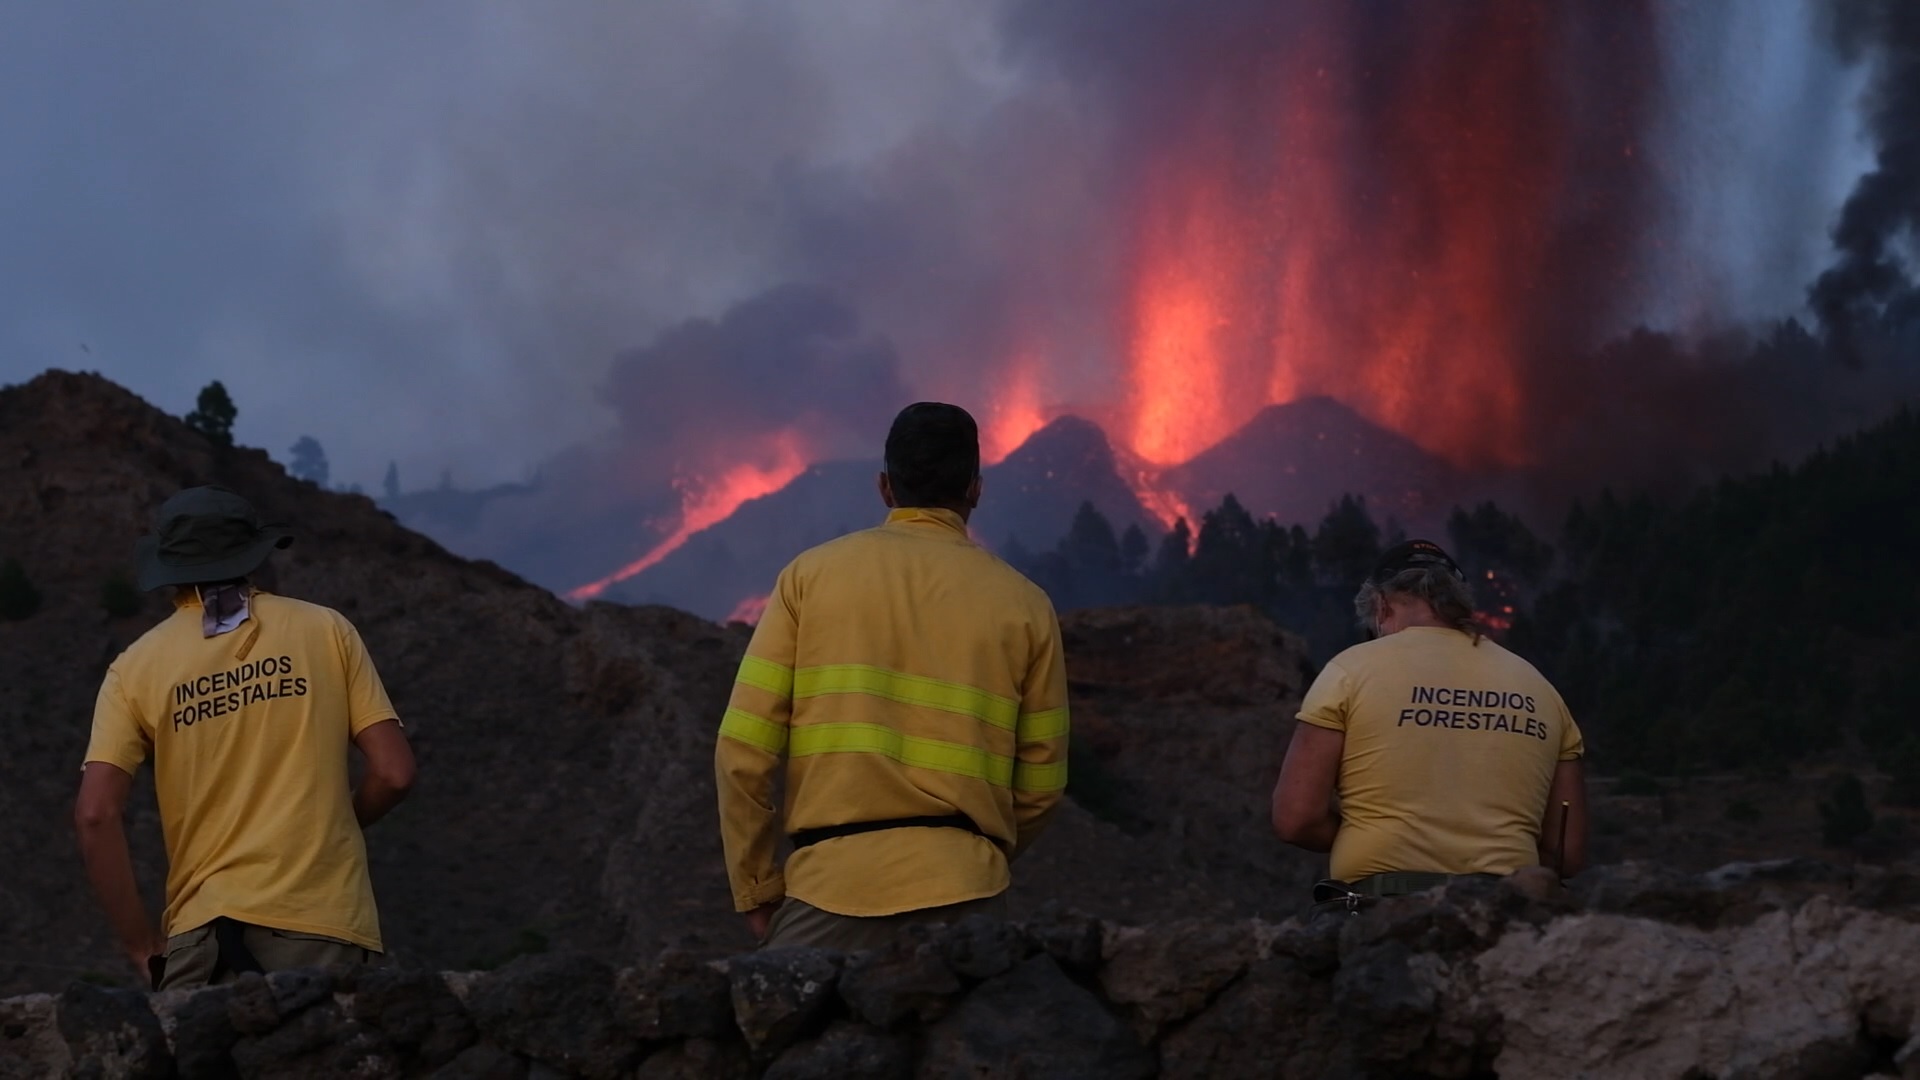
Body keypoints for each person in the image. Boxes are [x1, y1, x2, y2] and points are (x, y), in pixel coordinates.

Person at [715, 402, 1070, 951]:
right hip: (967, 898)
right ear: (976, 489)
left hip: (830, 888)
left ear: (884, 487)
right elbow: (1043, 781)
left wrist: (757, 886)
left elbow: (743, 751)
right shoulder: (1026, 605)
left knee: (784, 1031)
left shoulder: (808, 580)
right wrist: (970, 859)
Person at [75, 485, 415, 989]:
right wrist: (338, 822)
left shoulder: (133, 668)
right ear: (252, 555)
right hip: (318, 925)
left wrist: (143, 947)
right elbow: (394, 773)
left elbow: (95, 814)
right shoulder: (325, 630)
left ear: (169, 567)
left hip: (200, 941)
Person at [1271, 538, 1586, 907]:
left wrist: (1374, 837)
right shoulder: (1539, 687)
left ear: (1380, 605)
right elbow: (1568, 853)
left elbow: (1296, 819)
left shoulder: (1351, 671)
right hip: (1505, 914)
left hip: (1382, 914)